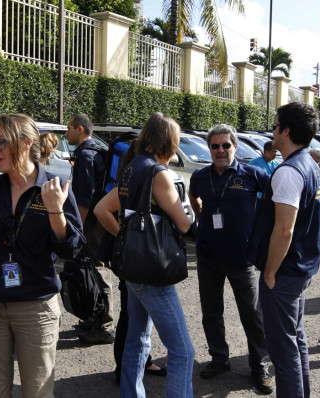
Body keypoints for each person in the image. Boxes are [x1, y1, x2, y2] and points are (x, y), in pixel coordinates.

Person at [0, 114, 84, 397]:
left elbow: (72, 249)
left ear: (26, 143)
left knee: (37, 391)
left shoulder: (54, 187)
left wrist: (55, 210)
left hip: (35, 308)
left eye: (2, 142)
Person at [94, 112, 194, 398]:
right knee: (183, 351)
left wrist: (124, 240)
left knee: (137, 340)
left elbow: (103, 209)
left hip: (131, 270)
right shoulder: (158, 173)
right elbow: (184, 224)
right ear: (169, 141)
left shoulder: (132, 166)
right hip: (152, 273)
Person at [188, 124, 273, 394]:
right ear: (209, 149)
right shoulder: (201, 176)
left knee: (252, 315)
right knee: (211, 312)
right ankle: (219, 358)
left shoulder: (254, 174)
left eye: (226, 145)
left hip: (242, 259)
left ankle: (259, 365)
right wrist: (201, 219)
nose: (221, 150)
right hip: (208, 256)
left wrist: (260, 234)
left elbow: (272, 203)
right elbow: (193, 197)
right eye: (215, 146)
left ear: (235, 147)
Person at [248, 102, 320, 398]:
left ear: (286, 131)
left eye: (276, 124)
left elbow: (284, 230)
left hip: (285, 272)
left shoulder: (289, 171)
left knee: (283, 350)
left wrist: (269, 272)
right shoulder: (309, 164)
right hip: (301, 267)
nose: (273, 129)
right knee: (296, 340)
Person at [95, 139, 166, 384]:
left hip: (129, 255)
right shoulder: (133, 180)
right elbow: (102, 211)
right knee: (132, 314)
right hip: (130, 257)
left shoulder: (129, 176)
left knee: (135, 313)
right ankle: (124, 369)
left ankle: (139, 363)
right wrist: (125, 238)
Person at [65, 113, 114, 344]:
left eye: (69, 129)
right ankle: (94, 317)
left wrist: (78, 227)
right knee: (93, 270)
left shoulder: (85, 155)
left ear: (80, 129)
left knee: (97, 269)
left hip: (92, 223)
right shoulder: (97, 152)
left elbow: (84, 199)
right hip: (99, 220)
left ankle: (103, 326)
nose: (67, 134)